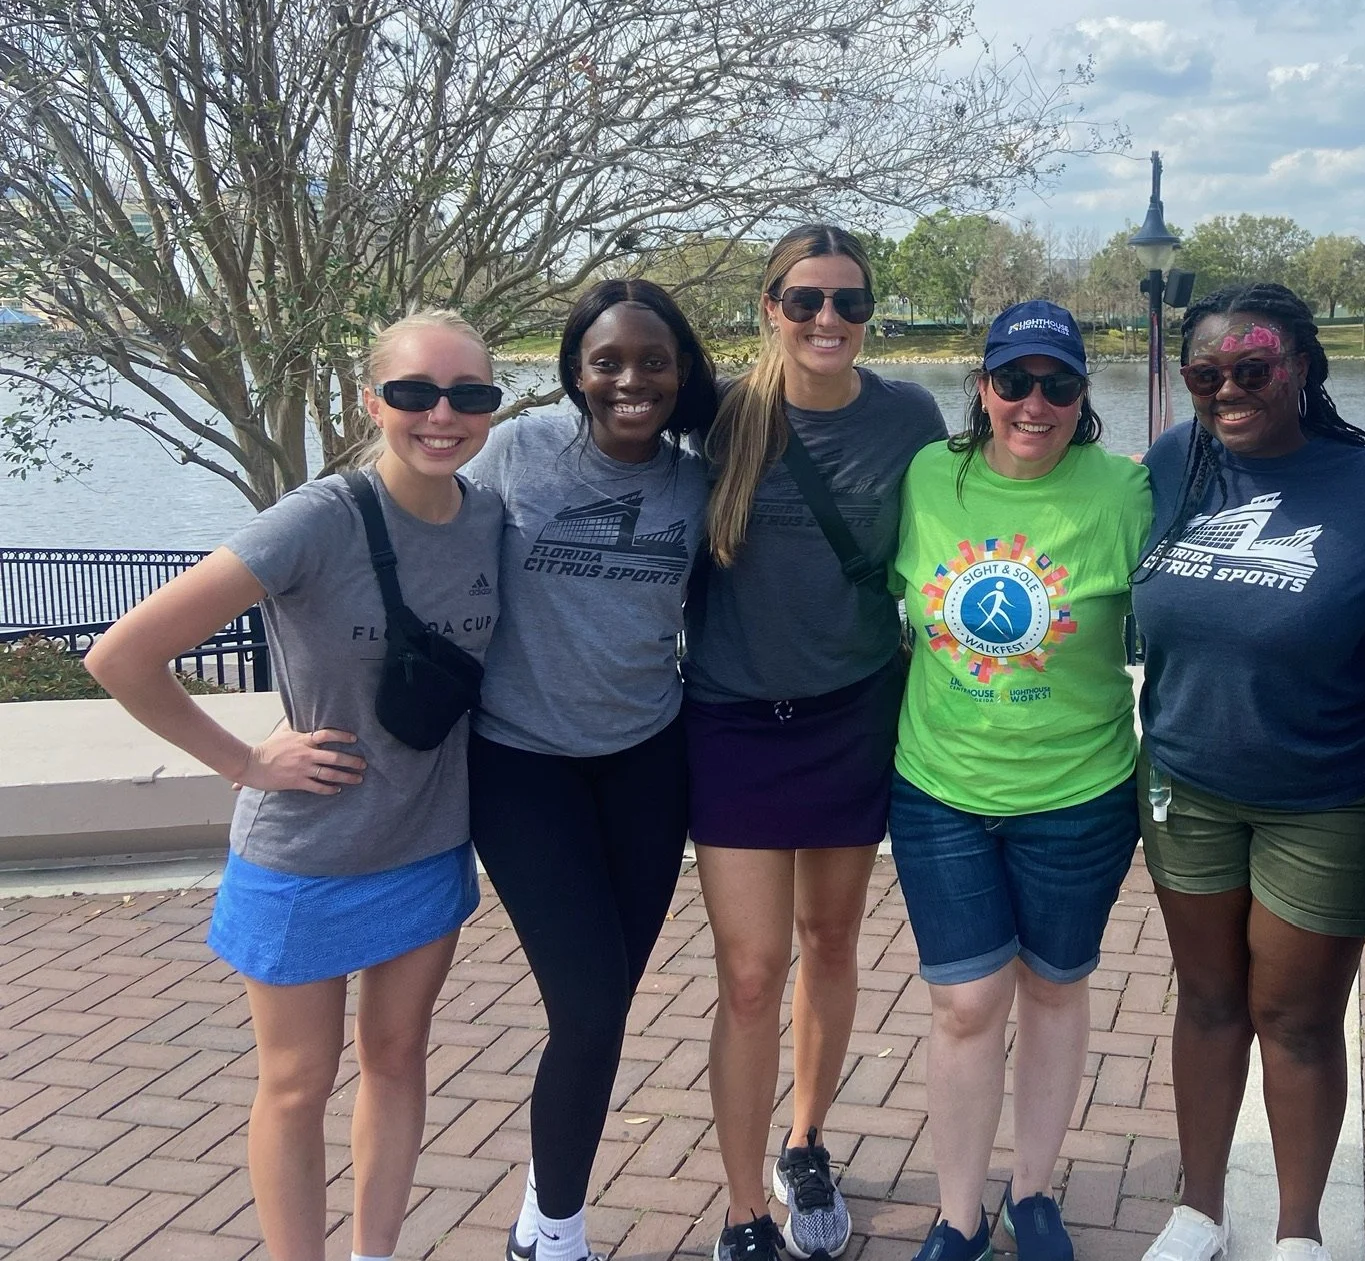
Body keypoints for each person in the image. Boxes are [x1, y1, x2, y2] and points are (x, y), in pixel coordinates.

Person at [84, 310, 505, 1261]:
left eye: (470, 395)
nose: (442, 415)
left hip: (428, 841)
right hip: (307, 853)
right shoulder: (318, 518)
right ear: (372, 402)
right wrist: (244, 760)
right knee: (296, 1082)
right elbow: (123, 655)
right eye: (414, 393)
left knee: (397, 1061)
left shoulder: (488, 515)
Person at [1131, 283, 1365, 1261]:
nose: (1229, 390)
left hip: (1324, 796)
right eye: (1207, 374)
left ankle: (1298, 1229)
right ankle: (1199, 1209)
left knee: (1293, 1016)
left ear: (1303, 368)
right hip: (1183, 781)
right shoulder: (1176, 460)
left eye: (1254, 369)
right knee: (1206, 998)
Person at [687, 224, 945, 1261]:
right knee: (751, 971)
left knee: (831, 943)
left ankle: (806, 1142)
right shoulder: (721, 420)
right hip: (735, 725)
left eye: (848, 301)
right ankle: (746, 1205)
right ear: (769, 308)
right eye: (805, 301)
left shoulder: (909, 417)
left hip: (851, 716)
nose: (828, 320)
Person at [888, 300, 1153, 1261]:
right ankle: (958, 1213)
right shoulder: (928, 477)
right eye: (1014, 381)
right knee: (963, 1002)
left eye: (1058, 384)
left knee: (1052, 988)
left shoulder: (1124, 491)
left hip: (1078, 794)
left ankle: (1031, 1191)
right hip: (941, 789)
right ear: (982, 388)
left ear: (1082, 396)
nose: (1032, 404)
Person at [463, 279, 718, 1261]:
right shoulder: (516, 453)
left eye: (653, 362)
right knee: (589, 1004)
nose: (630, 381)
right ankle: (555, 1232)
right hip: (524, 770)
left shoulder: (696, 484)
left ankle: (544, 1201)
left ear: (682, 371)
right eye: (608, 361)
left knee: (602, 1005)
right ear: (576, 369)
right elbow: (420, 540)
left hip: (649, 765)